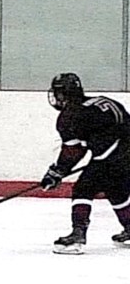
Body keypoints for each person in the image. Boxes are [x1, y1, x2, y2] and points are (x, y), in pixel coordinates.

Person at [41, 72, 130, 254]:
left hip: (113, 155)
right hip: (120, 154)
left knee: (83, 189)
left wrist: (58, 171)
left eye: (58, 93)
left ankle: (77, 236)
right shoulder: (101, 100)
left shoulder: (70, 115)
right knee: (116, 189)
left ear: (64, 94)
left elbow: (73, 151)